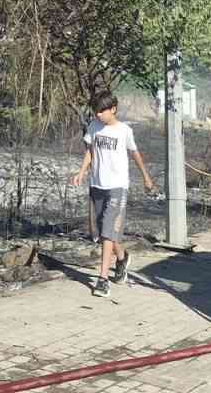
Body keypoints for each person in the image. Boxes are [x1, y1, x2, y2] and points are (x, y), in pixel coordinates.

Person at [71, 90, 158, 298]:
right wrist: (81, 172)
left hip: (118, 186)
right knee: (104, 232)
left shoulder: (124, 131)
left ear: (113, 109)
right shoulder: (94, 127)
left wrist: (146, 177)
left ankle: (102, 280)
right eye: (96, 111)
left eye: (102, 111)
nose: (99, 114)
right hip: (97, 185)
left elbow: (134, 153)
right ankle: (121, 258)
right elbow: (90, 151)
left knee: (108, 231)